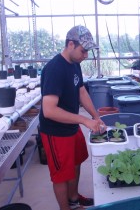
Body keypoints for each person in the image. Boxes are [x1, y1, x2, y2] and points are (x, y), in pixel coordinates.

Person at [39, 25, 106, 210]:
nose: (86, 56)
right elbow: (49, 110)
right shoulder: (54, 69)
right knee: (61, 175)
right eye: (83, 51)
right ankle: (65, 208)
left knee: (76, 162)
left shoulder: (74, 64)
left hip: (71, 126)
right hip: (55, 131)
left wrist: (95, 116)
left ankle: (74, 199)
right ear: (70, 44)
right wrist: (84, 120)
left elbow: (81, 91)